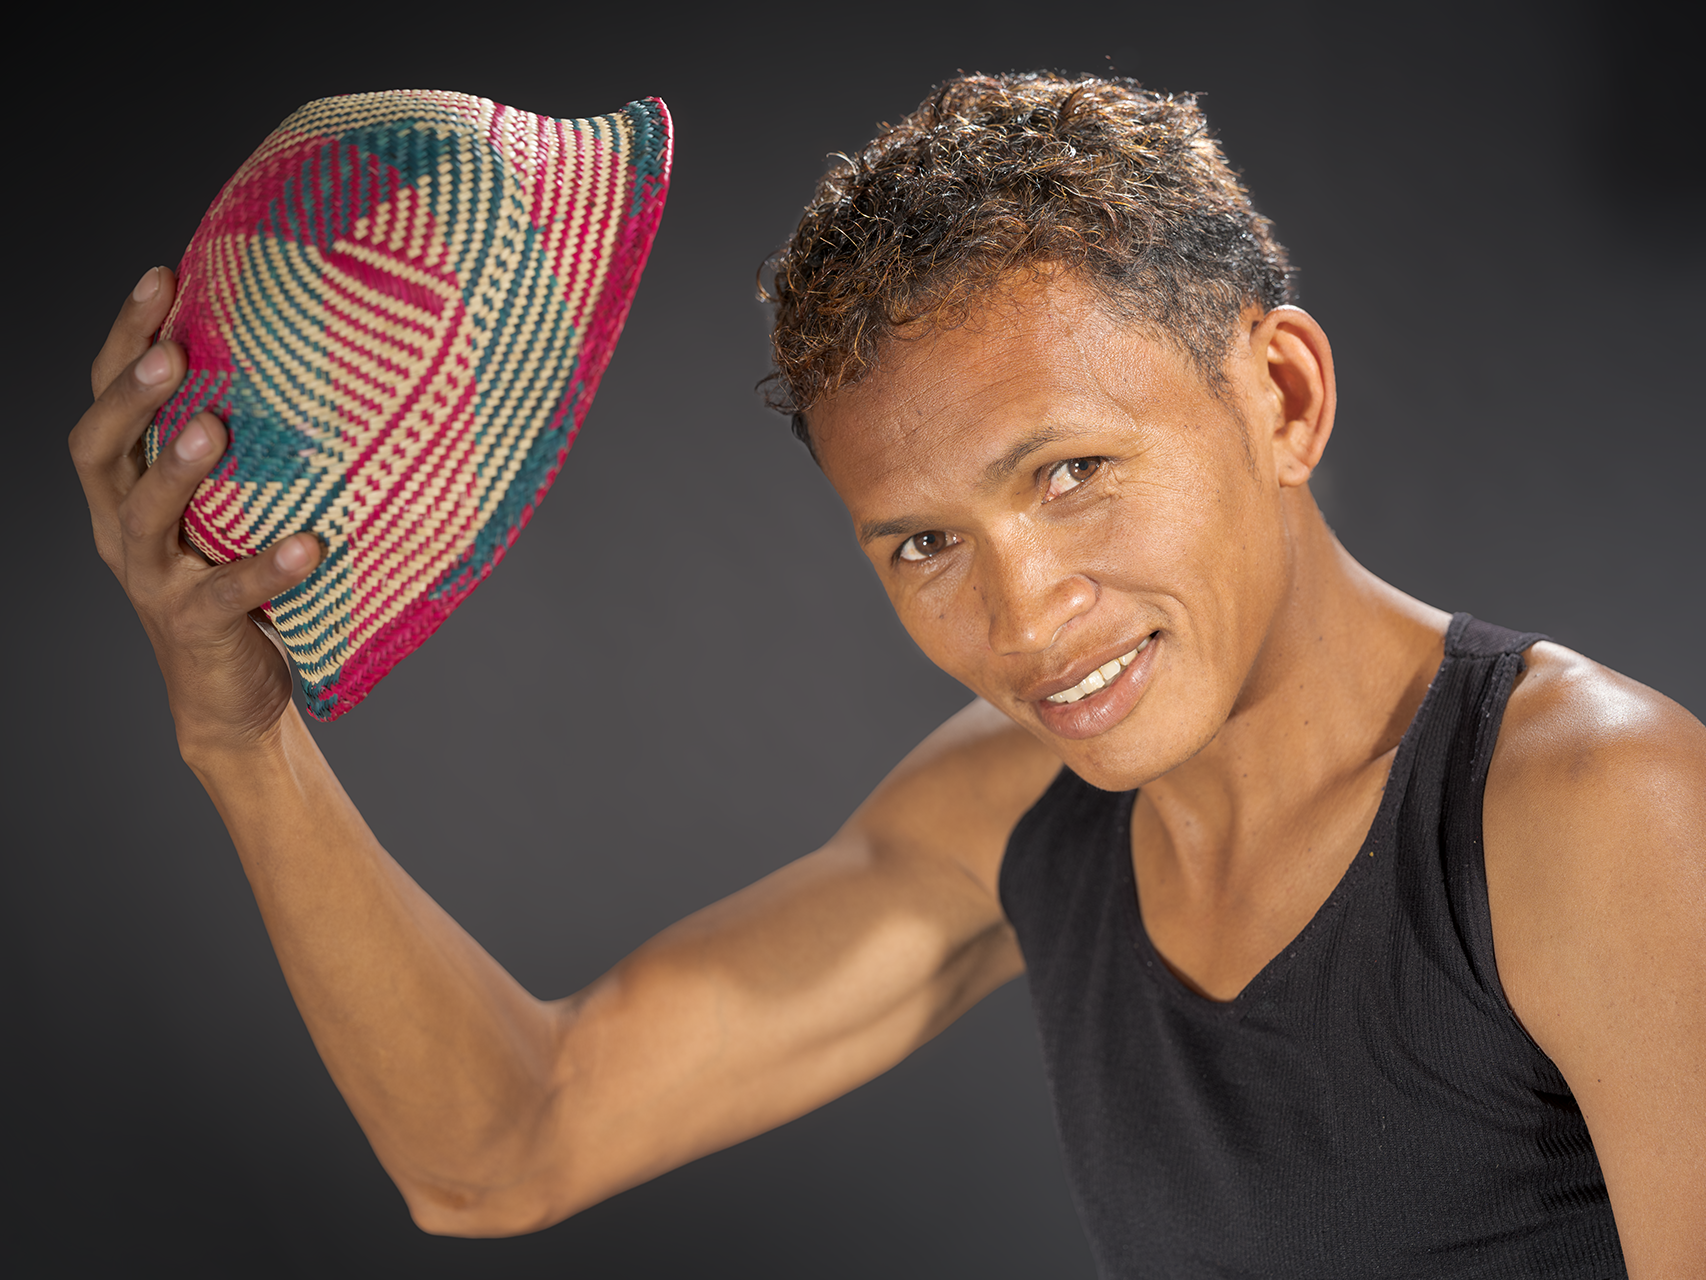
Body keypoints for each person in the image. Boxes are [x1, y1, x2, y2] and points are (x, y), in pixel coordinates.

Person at [68, 72, 1703, 1277]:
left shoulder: (1590, 810)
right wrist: (242, 740)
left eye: (1071, 472)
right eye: (923, 543)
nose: (1025, 619)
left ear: (1278, 397)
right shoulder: (1022, 808)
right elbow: (503, 1146)